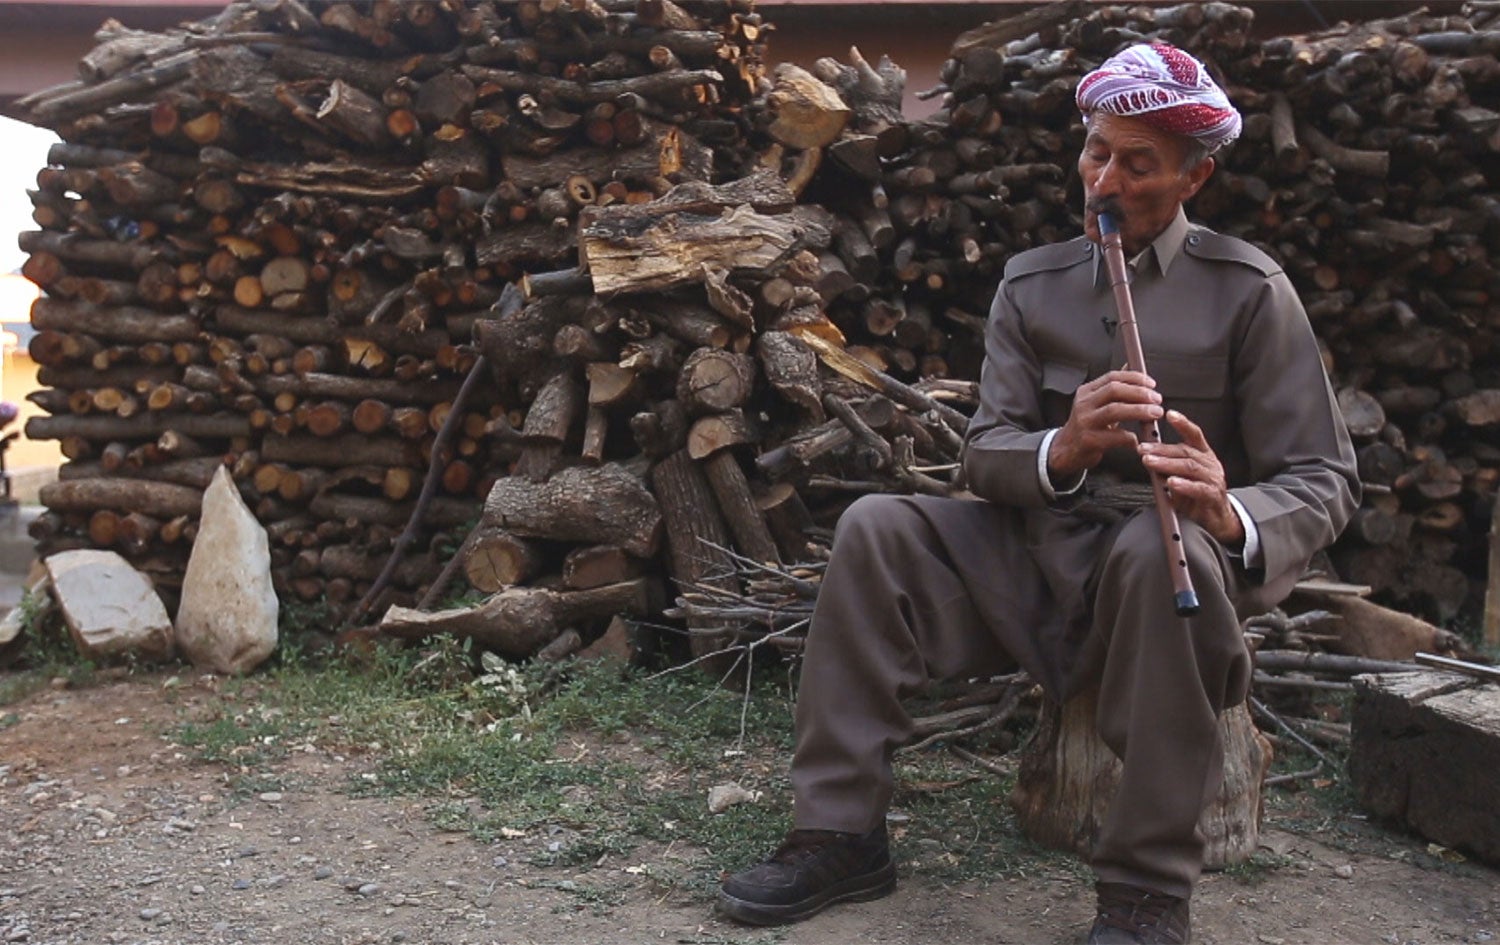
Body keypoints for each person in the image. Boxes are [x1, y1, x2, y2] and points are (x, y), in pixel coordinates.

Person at [718, 42, 1360, 945]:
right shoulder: (1033, 281)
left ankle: (1145, 890)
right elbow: (987, 454)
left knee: (1154, 551)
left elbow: (1326, 478)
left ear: (1194, 177)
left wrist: (1227, 509)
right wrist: (1065, 445)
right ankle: (839, 830)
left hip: (1175, 563)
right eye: (1097, 152)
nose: (1106, 179)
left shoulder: (1249, 290)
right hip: (1042, 549)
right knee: (877, 528)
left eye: (1139, 164)